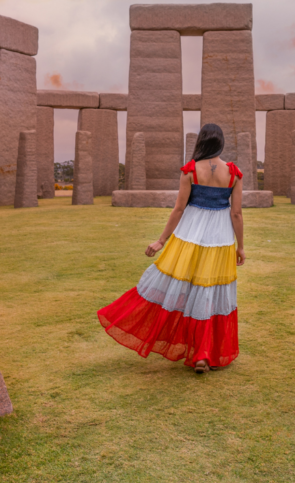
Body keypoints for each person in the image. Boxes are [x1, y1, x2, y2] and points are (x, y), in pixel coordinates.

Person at [97, 123, 245, 374]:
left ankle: (195, 351)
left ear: (202, 142)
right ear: (220, 143)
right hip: (220, 237)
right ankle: (204, 354)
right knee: (210, 291)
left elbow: (178, 209)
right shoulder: (233, 173)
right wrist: (241, 247)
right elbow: (237, 213)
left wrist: (161, 240)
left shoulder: (190, 170)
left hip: (189, 233)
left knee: (178, 284)